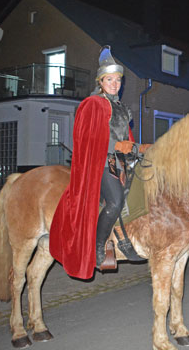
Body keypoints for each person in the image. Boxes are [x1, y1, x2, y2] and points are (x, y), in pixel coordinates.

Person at [49, 46, 151, 279]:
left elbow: (127, 139)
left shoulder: (121, 108)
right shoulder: (93, 104)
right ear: (101, 81)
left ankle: (125, 242)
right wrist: (118, 147)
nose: (114, 84)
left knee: (137, 194)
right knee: (115, 202)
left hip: (119, 163)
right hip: (101, 163)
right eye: (109, 80)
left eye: (118, 80)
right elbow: (89, 139)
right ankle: (99, 245)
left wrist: (138, 152)